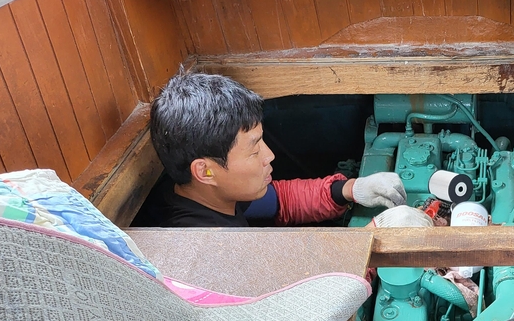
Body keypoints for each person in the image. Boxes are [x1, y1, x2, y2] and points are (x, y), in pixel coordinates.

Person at [132, 71, 410, 227]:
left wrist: (349, 189)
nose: (269, 155)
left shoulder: (207, 191)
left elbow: (281, 202)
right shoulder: (204, 248)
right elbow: (298, 301)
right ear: (205, 171)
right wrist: (373, 237)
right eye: (254, 150)